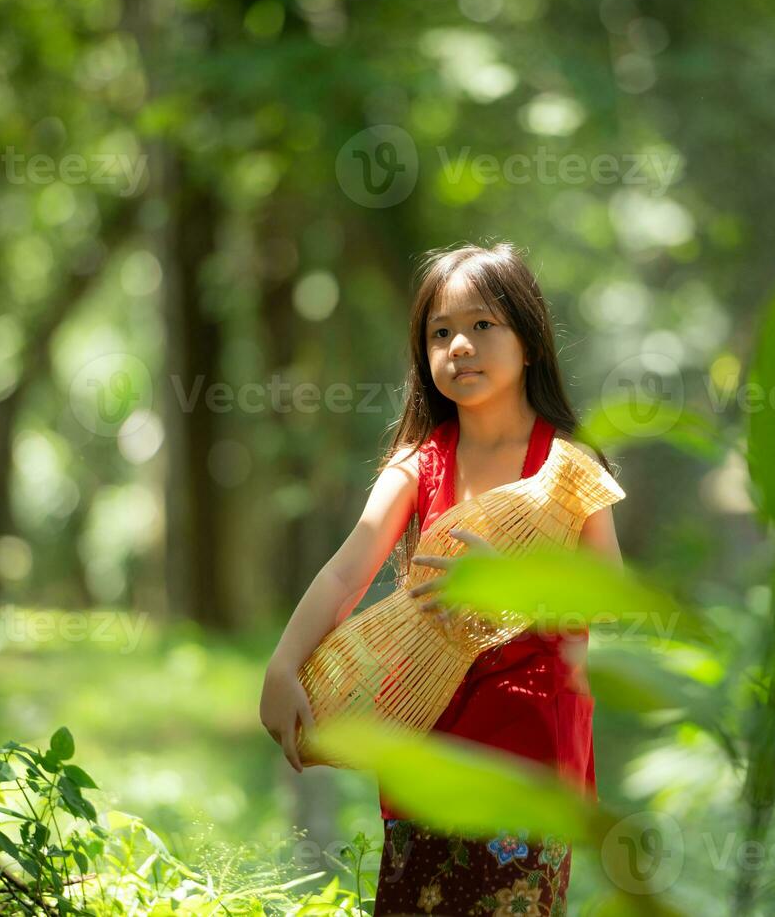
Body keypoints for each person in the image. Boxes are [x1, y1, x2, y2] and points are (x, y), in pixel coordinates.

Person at [258, 241, 624, 916]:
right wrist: (284, 663)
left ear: (531, 340)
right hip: (426, 730)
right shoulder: (418, 464)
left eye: (483, 325)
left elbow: (609, 598)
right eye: (440, 332)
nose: (460, 345)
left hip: (531, 745)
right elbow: (347, 571)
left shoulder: (568, 470)